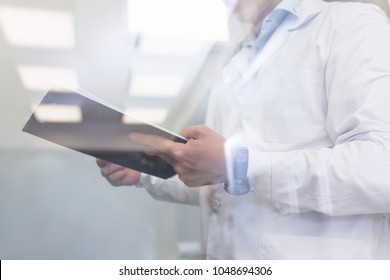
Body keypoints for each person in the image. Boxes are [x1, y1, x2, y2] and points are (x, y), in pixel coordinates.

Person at [97, 0, 390, 259]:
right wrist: (146, 172)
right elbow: (226, 186)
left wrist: (238, 164)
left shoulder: (350, 24)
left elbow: (380, 171)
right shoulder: (234, 65)